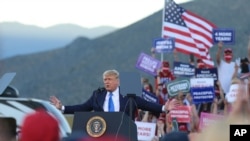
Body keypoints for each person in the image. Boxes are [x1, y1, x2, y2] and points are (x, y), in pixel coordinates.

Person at [50, 69, 179, 120]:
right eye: (105, 80)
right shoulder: (97, 95)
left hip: (124, 134)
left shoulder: (129, 95)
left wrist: (164, 108)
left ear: (118, 81)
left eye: (109, 79)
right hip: (102, 133)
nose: (106, 82)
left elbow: (145, 105)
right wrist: (63, 108)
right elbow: (83, 107)